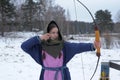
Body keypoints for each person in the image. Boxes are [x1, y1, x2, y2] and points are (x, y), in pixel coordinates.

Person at [21, 20, 101, 80]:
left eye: (57, 32)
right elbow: (24, 46)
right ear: (47, 33)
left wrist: (93, 46)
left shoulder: (64, 46)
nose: (56, 34)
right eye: (53, 32)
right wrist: (39, 38)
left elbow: (77, 47)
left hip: (62, 76)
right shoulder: (40, 46)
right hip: (46, 76)